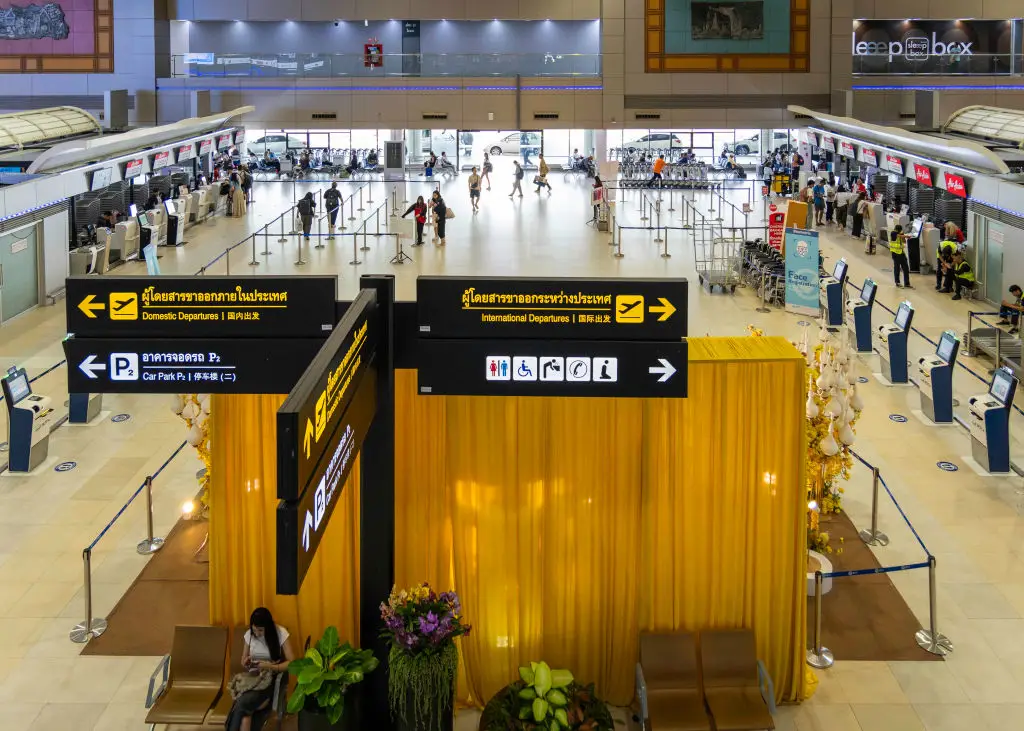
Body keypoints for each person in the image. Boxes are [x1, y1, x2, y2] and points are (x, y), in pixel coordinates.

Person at [225, 607, 296, 731]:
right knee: (245, 717)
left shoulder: (280, 632)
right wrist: (247, 662)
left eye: (260, 630)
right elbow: (243, 659)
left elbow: (292, 663)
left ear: (268, 627)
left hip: (269, 680)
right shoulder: (249, 635)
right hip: (253, 680)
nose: (257, 634)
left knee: (241, 703)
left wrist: (270, 666)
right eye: (254, 630)